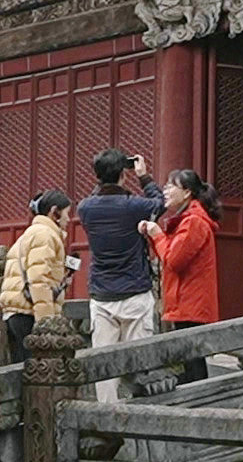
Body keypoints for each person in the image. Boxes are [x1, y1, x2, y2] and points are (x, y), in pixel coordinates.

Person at [77, 148, 165, 401]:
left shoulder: (85, 208)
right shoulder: (134, 206)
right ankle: (139, 412)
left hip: (102, 294)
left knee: (103, 365)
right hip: (135, 292)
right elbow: (160, 203)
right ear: (123, 175)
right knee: (139, 362)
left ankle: (105, 413)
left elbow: (97, 198)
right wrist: (144, 176)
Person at [139, 169, 219, 385]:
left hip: (190, 303)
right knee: (190, 362)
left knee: (192, 367)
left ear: (187, 193)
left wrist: (157, 235)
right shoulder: (188, 219)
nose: (165, 190)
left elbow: (174, 260)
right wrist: (155, 236)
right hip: (186, 301)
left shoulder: (194, 222)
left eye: (171, 186)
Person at [0, 190, 70, 364]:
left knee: (23, 367)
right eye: (66, 213)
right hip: (29, 313)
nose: (68, 219)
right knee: (37, 368)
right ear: (54, 212)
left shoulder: (32, 233)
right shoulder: (45, 235)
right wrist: (46, 323)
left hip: (18, 310)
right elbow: (39, 280)